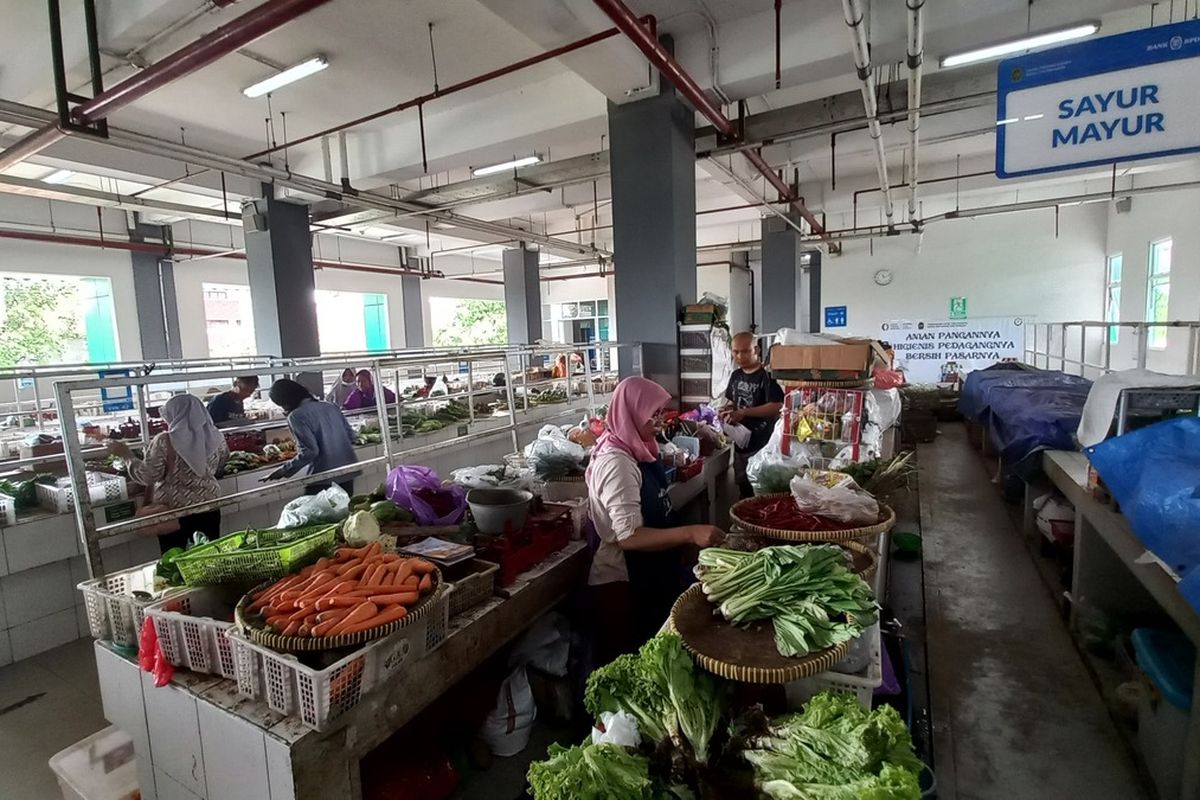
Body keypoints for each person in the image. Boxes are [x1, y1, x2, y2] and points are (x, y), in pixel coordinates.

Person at [586, 376, 725, 661]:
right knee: (633, 659)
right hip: (624, 581)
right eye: (653, 414)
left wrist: (682, 545)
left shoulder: (640, 447)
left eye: (661, 413)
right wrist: (690, 533)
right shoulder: (616, 463)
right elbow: (628, 537)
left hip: (651, 571)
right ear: (632, 412)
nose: (660, 421)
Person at [108, 394, 228, 553]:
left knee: (174, 556)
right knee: (209, 553)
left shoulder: (165, 440)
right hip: (209, 504)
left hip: (174, 510)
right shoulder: (217, 437)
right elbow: (222, 462)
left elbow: (148, 476)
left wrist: (126, 455)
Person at [264, 379, 359, 495]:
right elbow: (351, 435)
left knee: (313, 506)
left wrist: (283, 471)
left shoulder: (296, 416)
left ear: (285, 401)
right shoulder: (331, 406)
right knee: (345, 505)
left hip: (324, 476)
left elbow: (310, 452)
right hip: (347, 471)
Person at [720, 332, 785, 498]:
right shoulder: (736, 376)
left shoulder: (767, 376)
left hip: (762, 445)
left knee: (761, 492)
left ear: (756, 350)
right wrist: (727, 411)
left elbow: (777, 406)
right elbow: (731, 401)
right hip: (740, 445)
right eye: (735, 352)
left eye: (745, 351)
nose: (739, 356)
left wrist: (744, 412)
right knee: (743, 490)